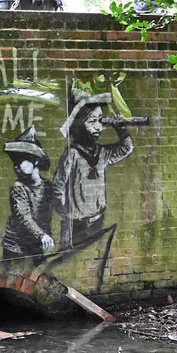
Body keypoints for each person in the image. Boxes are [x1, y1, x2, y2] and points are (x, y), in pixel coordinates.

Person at [52, 88, 133, 250]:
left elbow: (126, 148)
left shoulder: (102, 153)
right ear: (80, 125)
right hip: (77, 225)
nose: (98, 127)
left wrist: (120, 128)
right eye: (91, 121)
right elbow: (57, 188)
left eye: (100, 120)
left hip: (98, 219)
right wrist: (66, 216)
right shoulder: (72, 154)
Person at [0, 126, 55, 265]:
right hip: (16, 248)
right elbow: (24, 217)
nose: (16, 166)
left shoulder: (48, 187)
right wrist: (42, 235)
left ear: (35, 160)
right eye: (14, 162)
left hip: (36, 244)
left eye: (20, 161)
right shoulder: (19, 187)